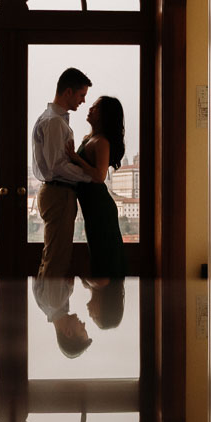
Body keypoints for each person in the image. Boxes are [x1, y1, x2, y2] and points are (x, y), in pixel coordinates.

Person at [31, 67, 91, 277]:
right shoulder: (54, 122)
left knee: (54, 255)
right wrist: (90, 176)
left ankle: (53, 307)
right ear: (68, 92)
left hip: (55, 192)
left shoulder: (50, 118)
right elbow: (58, 165)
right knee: (57, 258)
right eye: (81, 95)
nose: (83, 101)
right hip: (59, 192)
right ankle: (54, 308)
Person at [69, 95, 127, 278]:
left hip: (99, 208)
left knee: (104, 260)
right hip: (93, 207)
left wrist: (76, 158)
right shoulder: (90, 138)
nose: (90, 109)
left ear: (104, 115)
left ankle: (105, 302)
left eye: (95, 108)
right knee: (99, 256)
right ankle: (100, 303)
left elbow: (100, 176)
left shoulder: (101, 141)